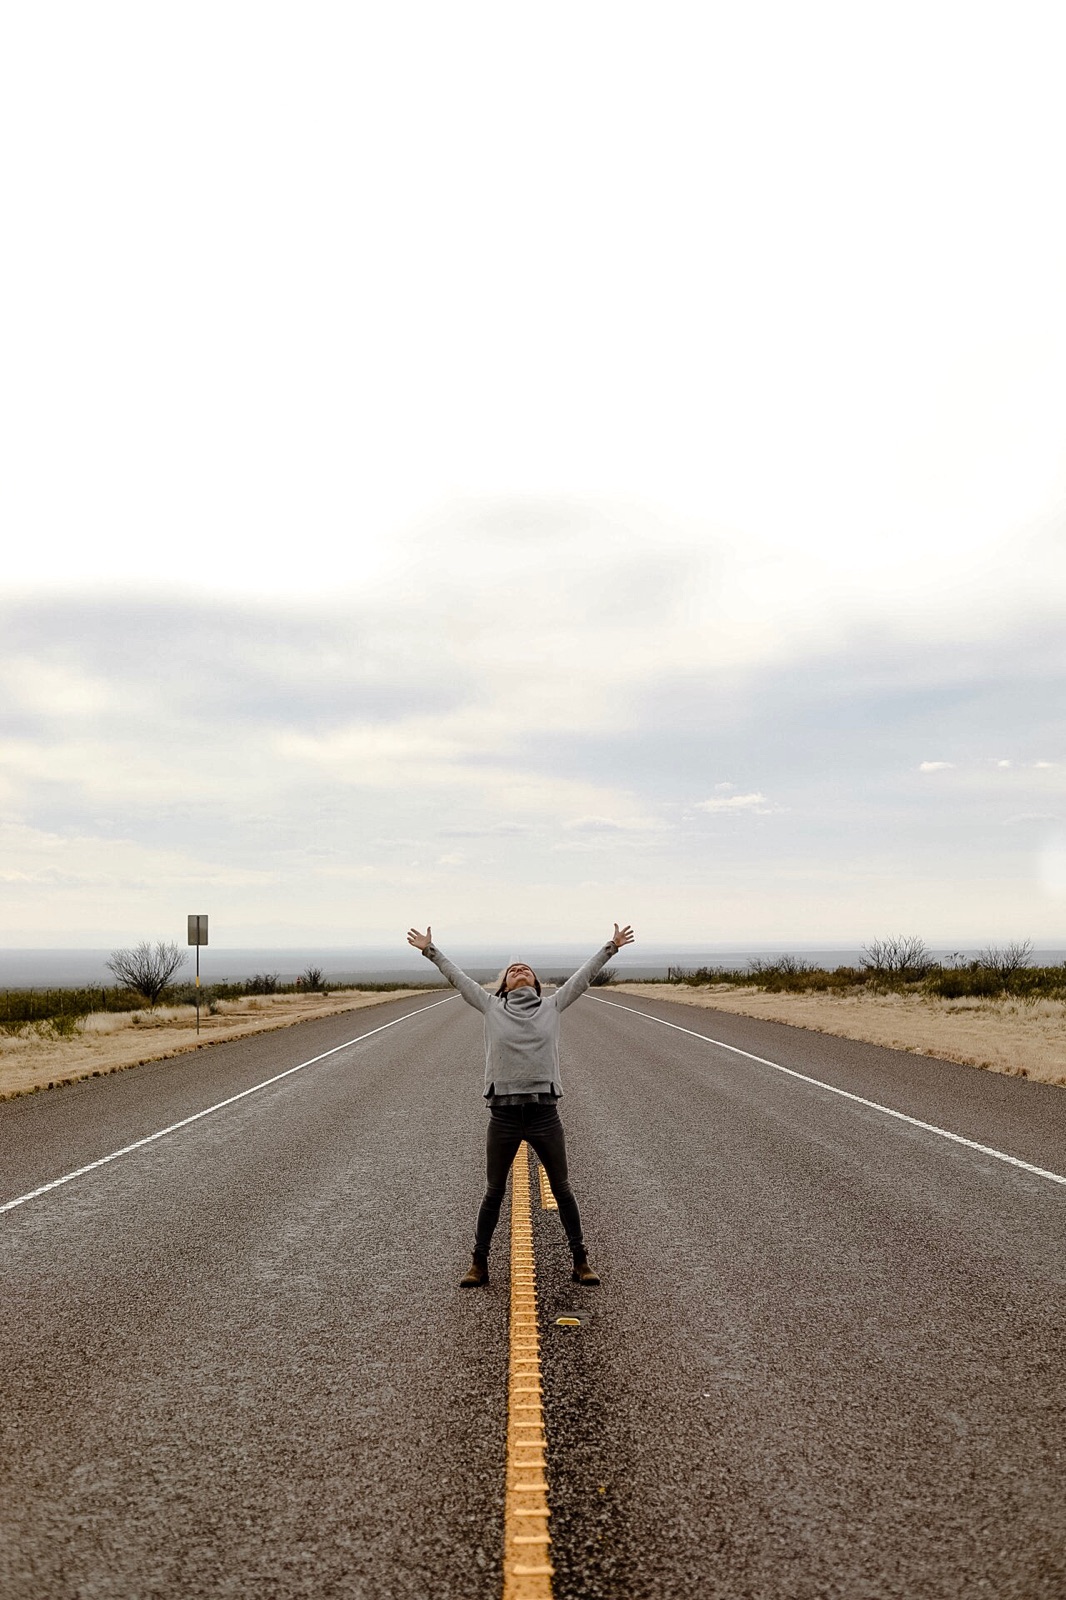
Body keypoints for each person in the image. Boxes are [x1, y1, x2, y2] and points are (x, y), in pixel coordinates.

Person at [406, 923, 635, 1288]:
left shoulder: (552, 1006)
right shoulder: (491, 1006)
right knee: (494, 1192)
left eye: (525, 969)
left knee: (562, 1189)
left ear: (536, 982)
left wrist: (612, 947)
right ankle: (478, 1264)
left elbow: (583, 977)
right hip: (504, 1116)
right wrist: (430, 951)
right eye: (513, 971)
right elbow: (459, 979)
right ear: (504, 985)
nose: (519, 971)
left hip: (545, 1113)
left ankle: (581, 1260)